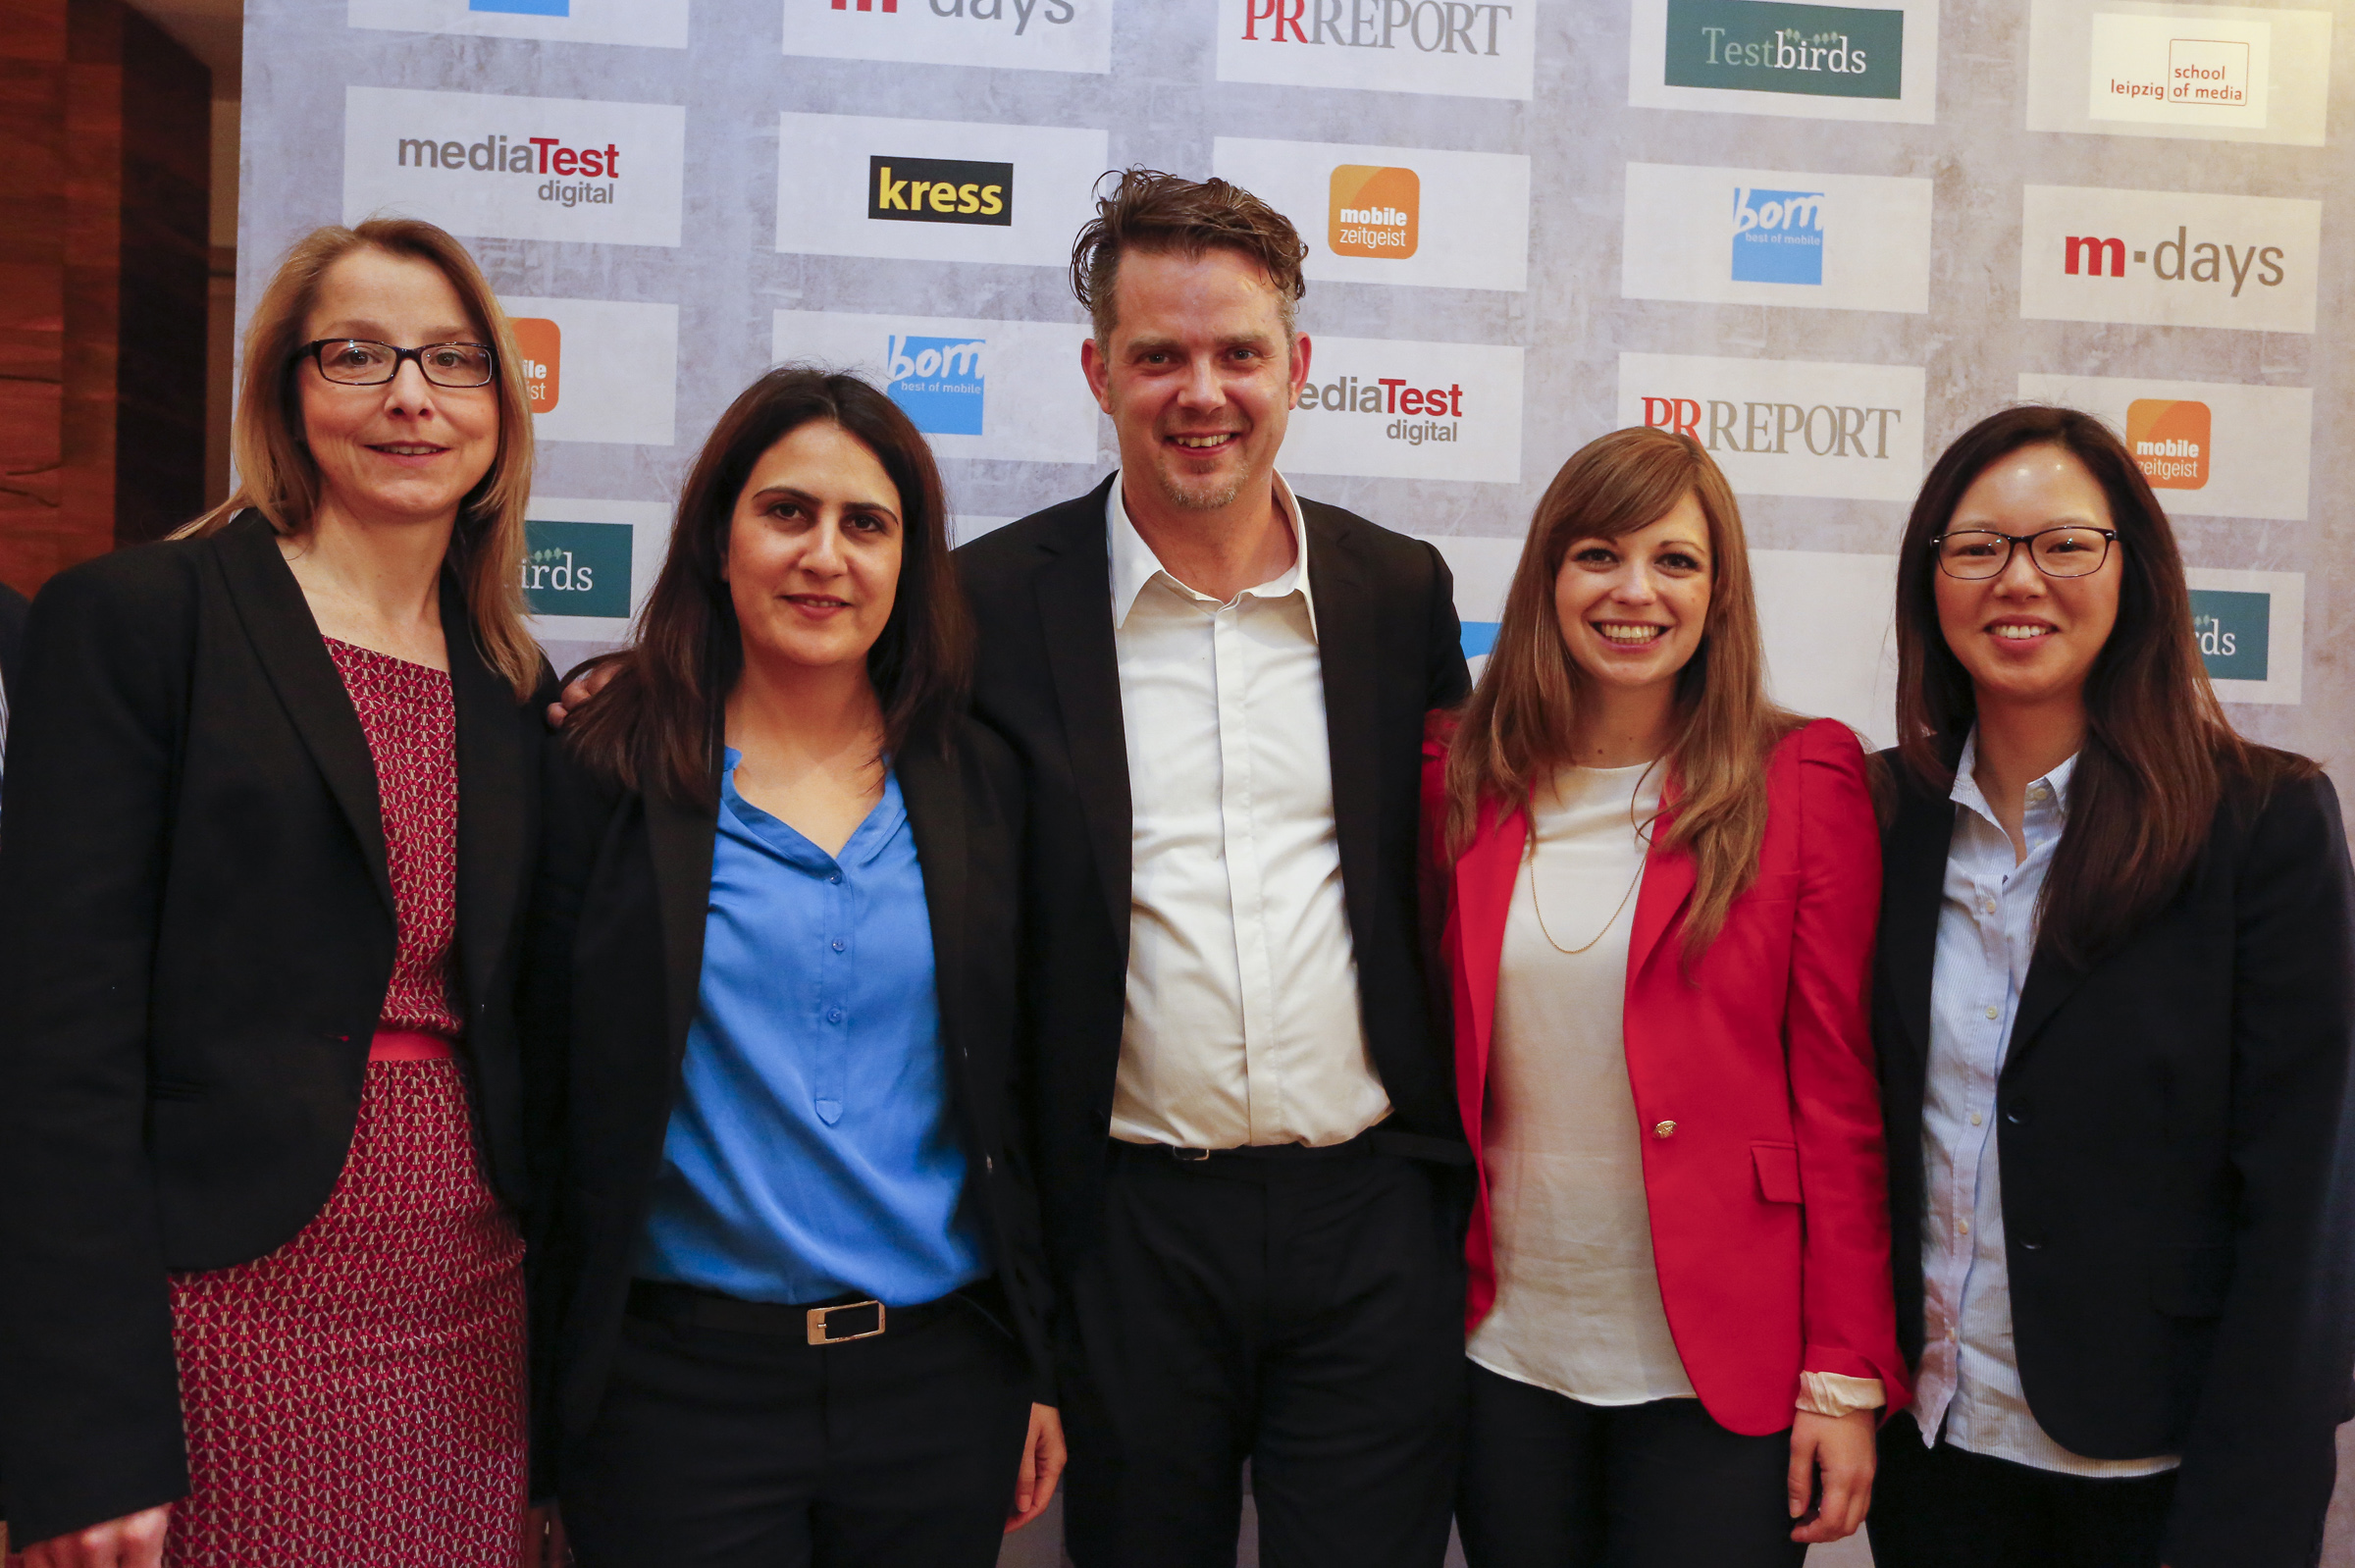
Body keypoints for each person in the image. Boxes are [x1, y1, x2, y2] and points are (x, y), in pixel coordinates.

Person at [0, 219, 552, 1567]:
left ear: (499, 407)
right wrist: (82, 1430)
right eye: (358, 355)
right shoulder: (143, 620)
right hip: (223, 1309)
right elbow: (56, 1049)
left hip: (472, 1307)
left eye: (453, 360)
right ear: (287, 392)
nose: (410, 396)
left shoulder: (512, 682)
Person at [956, 169, 1472, 1567]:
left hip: (1370, 1220)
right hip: (1125, 1230)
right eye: (1158, 356)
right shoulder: (987, 605)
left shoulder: (1398, 591)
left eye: (1240, 352)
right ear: (1098, 372)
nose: (1203, 392)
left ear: (1297, 366)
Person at [522, 367, 1063, 1566]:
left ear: (909, 561)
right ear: (719, 537)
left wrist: (1037, 1361)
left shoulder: (983, 783)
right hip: (676, 1396)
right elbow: (542, 1089)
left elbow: (1025, 1089)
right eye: (786, 512)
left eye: (866, 523)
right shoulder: (604, 769)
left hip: (939, 1384)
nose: (825, 554)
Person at [1863, 405, 2355, 1568]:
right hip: (1932, 1450)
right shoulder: (1880, 814)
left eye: (2064, 544)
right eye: (1977, 546)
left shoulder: (2262, 821)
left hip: (2157, 1472)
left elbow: (2307, 1202)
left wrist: (2251, 1513)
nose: (2017, 578)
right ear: (1931, 579)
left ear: (2134, 571)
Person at [1424, 427, 1907, 1566]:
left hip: (1726, 1363)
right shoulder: (1459, 775)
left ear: (1718, 590)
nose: (1634, 591)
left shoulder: (1801, 777)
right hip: (1502, 1356)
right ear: (1548, 577)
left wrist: (1843, 1370)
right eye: (1598, 554)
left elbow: (1839, 1096)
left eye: (1675, 560)